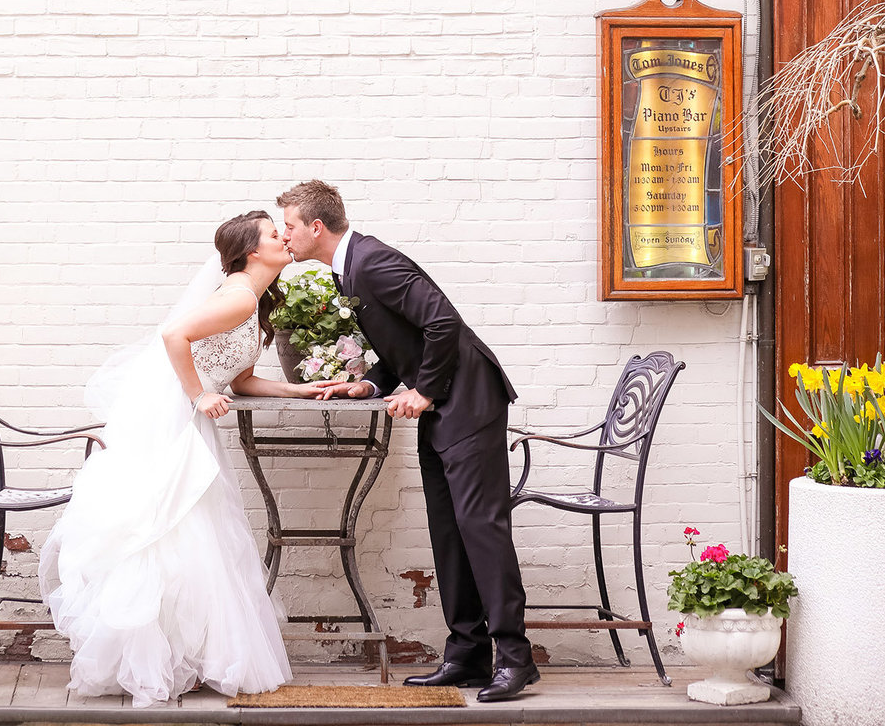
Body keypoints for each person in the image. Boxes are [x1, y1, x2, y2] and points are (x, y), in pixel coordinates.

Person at [39, 211, 325, 706]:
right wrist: (196, 396)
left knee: (194, 529)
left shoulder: (254, 303)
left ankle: (183, 657)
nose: (285, 237)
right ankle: (155, 657)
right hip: (172, 415)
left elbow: (240, 381)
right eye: (274, 234)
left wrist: (301, 390)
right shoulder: (237, 295)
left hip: (191, 415)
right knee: (165, 526)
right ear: (253, 251)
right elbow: (175, 336)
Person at [277, 180, 538, 703]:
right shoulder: (349, 267)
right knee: (449, 531)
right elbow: (406, 339)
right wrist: (372, 384)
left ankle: (515, 659)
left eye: (288, 226)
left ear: (316, 227)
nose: (284, 237)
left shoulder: (372, 261)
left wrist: (423, 391)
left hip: (468, 400)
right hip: (442, 405)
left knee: (481, 529)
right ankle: (466, 654)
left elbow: (443, 323)